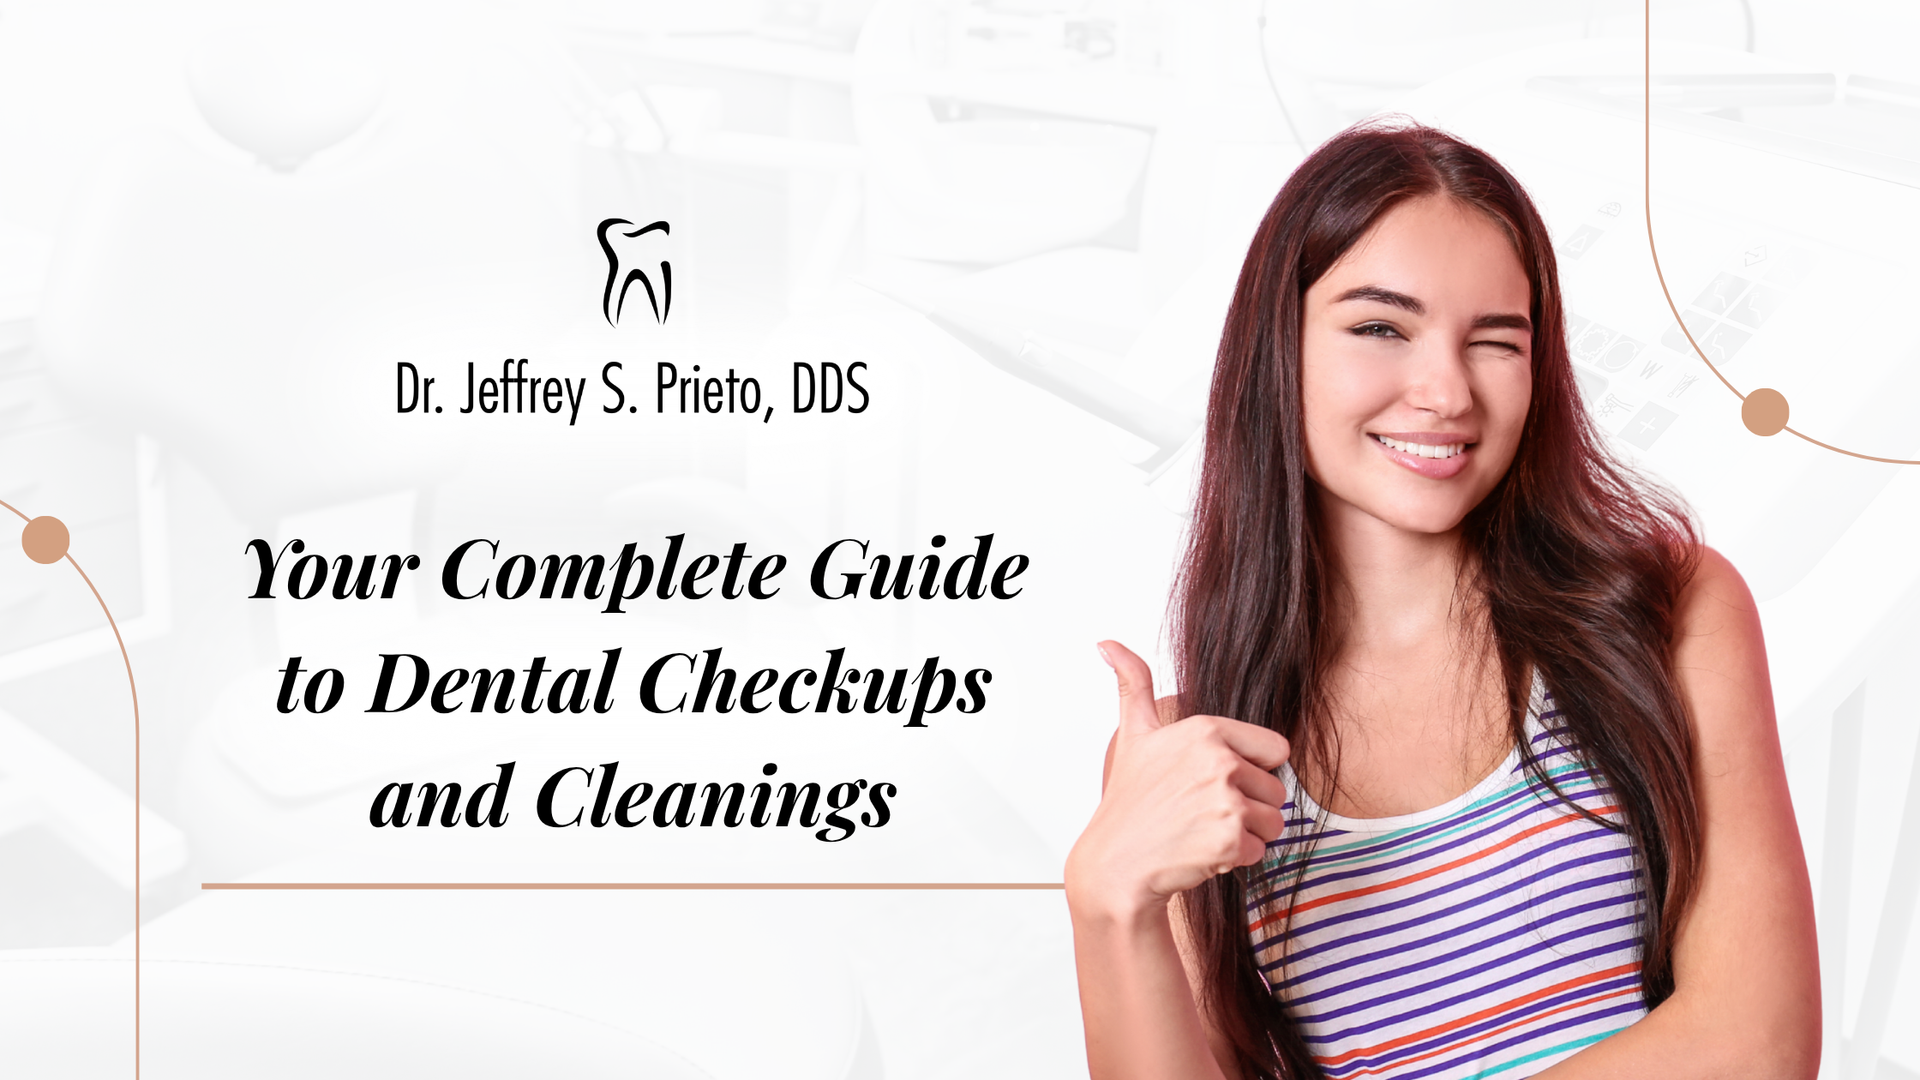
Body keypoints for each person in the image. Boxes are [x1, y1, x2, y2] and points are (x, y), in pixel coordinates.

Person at [1063, 118, 1820, 1080]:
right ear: (1277, 349)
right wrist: (1107, 896)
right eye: (1381, 327)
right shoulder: (1190, 756)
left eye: (1495, 341)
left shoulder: (1666, 613)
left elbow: (1756, 1051)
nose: (1445, 391)